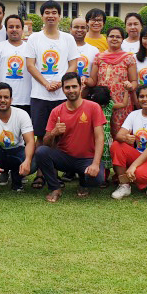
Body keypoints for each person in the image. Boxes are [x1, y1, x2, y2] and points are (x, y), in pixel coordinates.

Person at [35, 73, 106, 202]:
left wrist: (95, 164)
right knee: (41, 152)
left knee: (97, 179)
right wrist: (54, 132)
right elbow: (45, 141)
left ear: (81, 87)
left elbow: (100, 137)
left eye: (74, 86)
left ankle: (84, 183)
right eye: (67, 87)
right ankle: (55, 188)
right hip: (65, 157)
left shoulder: (93, 107)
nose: (71, 90)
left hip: (87, 158)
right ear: (62, 89)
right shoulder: (56, 111)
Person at [24, 0, 79, 144]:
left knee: (61, 136)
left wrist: (61, 83)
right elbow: (30, 65)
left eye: (54, 13)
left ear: (60, 16)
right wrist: (46, 84)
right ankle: (41, 166)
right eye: (47, 13)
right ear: (42, 16)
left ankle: (55, 165)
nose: (51, 16)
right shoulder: (34, 38)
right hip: (40, 95)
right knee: (41, 136)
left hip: (62, 95)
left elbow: (73, 64)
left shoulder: (68, 38)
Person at [109, 84, 147, 199]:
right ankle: (124, 185)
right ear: (137, 99)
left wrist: (133, 166)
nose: (145, 99)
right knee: (116, 145)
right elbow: (119, 135)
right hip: (140, 156)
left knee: (138, 174)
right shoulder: (134, 114)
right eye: (141, 96)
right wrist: (125, 138)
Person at [86, 27, 136, 138]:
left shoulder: (128, 58)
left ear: (123, 39)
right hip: (102, 103)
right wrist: (84, 81)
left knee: (121, 135)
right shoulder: (99, 57)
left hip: (122, 103)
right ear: (107, 38)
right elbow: (93, 81)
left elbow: (134, 81)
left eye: (118, 37)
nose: (114, 39)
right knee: (102, 134)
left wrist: (130, 86)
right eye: (111, 36)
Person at [0, 14, 32, 113]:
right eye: (11, 27)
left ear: (22, 29)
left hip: (26, 99)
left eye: (17, 27)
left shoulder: (30, 48)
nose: (14, 29)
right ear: (6, 29)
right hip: (4, 100)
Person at [71, 17, 100, 88]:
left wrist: (86, 80)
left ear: (87, 29)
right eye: (76, 27)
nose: (79, 30)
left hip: (86, 92)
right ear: (70, 29)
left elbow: (94, 80)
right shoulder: (64, 48)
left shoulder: (94, 50)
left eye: (83, 27)